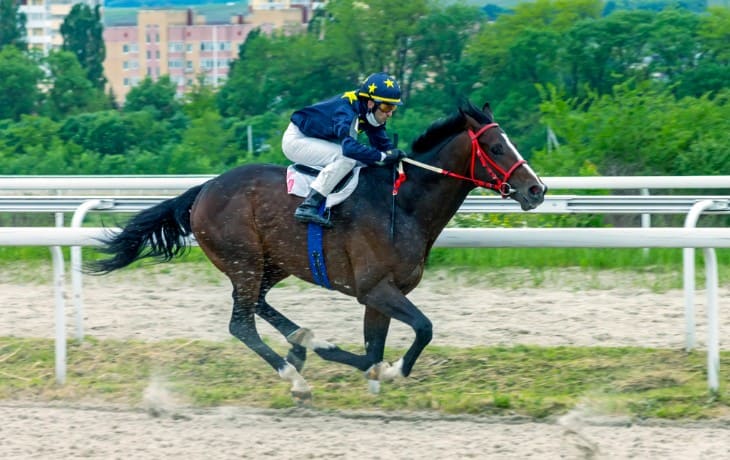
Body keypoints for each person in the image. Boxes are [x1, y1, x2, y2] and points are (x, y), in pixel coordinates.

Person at [282, 72, 407, 227]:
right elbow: (349, 149)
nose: (390, 113)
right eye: (387, 106)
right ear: (370, 103)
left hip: (315, 139)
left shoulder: (371, 113)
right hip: (297, 140)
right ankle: (309, 205)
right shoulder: (346, 111)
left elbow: (383, 147)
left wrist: (399, 157)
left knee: (365, 163)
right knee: (347, 158)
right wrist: (382, 156)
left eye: (393, 107)